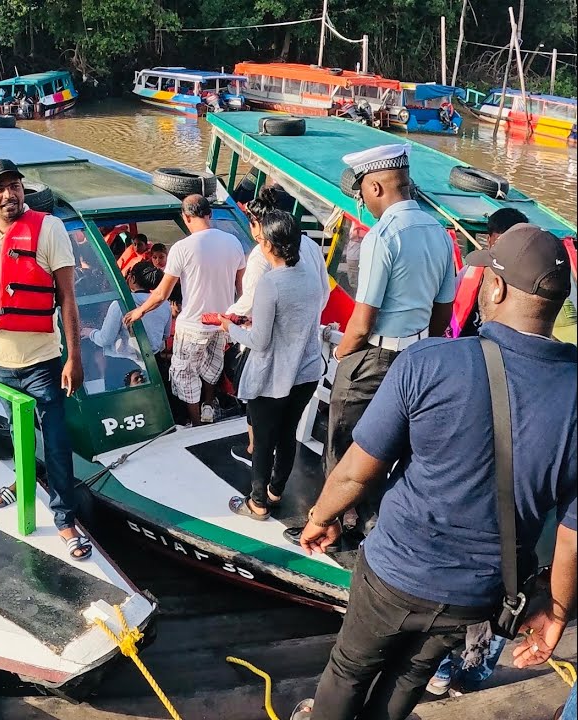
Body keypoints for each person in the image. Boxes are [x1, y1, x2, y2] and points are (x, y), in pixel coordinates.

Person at [290, 224, 576, 720]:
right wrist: (555, 611)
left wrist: (321, 515)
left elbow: (357, 474)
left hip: (393, 574)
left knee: (348, 670)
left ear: (498, 288)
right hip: (478, 593)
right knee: (411, 677)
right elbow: (573, 535)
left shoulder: (431, 362)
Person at [0, 159, 91, 560]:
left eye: (15, 186)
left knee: (55, 443)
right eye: (0, 188)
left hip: (43, 363)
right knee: (19, 435)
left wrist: (74, 358)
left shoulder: (50, 229)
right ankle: (23, 481)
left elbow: (68, 299)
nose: (9, 194)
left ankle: (65, 519)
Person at [322, 144, 457, 533]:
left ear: (377, 187)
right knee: (396, 443)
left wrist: (341, 355)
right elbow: (443, 311)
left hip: (374, 358)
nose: (362, 198)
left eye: (362, 190)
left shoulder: (382, 236)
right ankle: (381, 521)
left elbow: (363, 323)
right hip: (418, 355)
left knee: (344, 440)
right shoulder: (439, 232)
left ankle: (337, 520)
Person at [221, 211, 327, 520]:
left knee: (264, 441)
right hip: (306, 372)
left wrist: (228, 327)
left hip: (273, 376)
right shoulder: (310, 276)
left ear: (268, 245)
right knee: (287, 435)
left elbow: (260, 341)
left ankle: (257, 503)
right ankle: (276, 492)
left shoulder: (271, 282)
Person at [124, 194, 246, 425]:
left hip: (192, 325)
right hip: (221, 323)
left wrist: (139, 311)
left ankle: (196, 423)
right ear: (209, 214)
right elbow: (241, 288)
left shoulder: (182, 248)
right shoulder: (234, 243)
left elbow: (161, 294)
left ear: (186, 217)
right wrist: (241, 317)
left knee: (185, 374)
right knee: (212, 366)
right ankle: (209, 406)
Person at [86, 261, 171, 391]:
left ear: (131, 278)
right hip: (153, 364)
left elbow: (105, 339)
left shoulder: (120, 304)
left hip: (122, 367)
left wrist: (90, 332)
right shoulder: (164, 304)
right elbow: (165, 335)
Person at [454, 207, 529, 338]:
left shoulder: (531, 280)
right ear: (489, 241)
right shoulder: (469, 272)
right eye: (499, 245)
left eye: (512, 246)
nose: (504, 253)